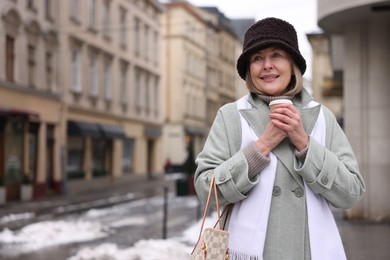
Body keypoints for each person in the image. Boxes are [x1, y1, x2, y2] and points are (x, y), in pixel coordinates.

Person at [194, 17, 365, 260]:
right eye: (257, 58)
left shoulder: (321, 116)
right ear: (249, 70)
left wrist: (304, 143)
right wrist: (261, 147)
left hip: (310, 252)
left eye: (277, 55)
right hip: (247, 253)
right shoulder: (231, 115)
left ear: (292, 63)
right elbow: (205, 189)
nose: (267, 65)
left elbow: (352, 193)